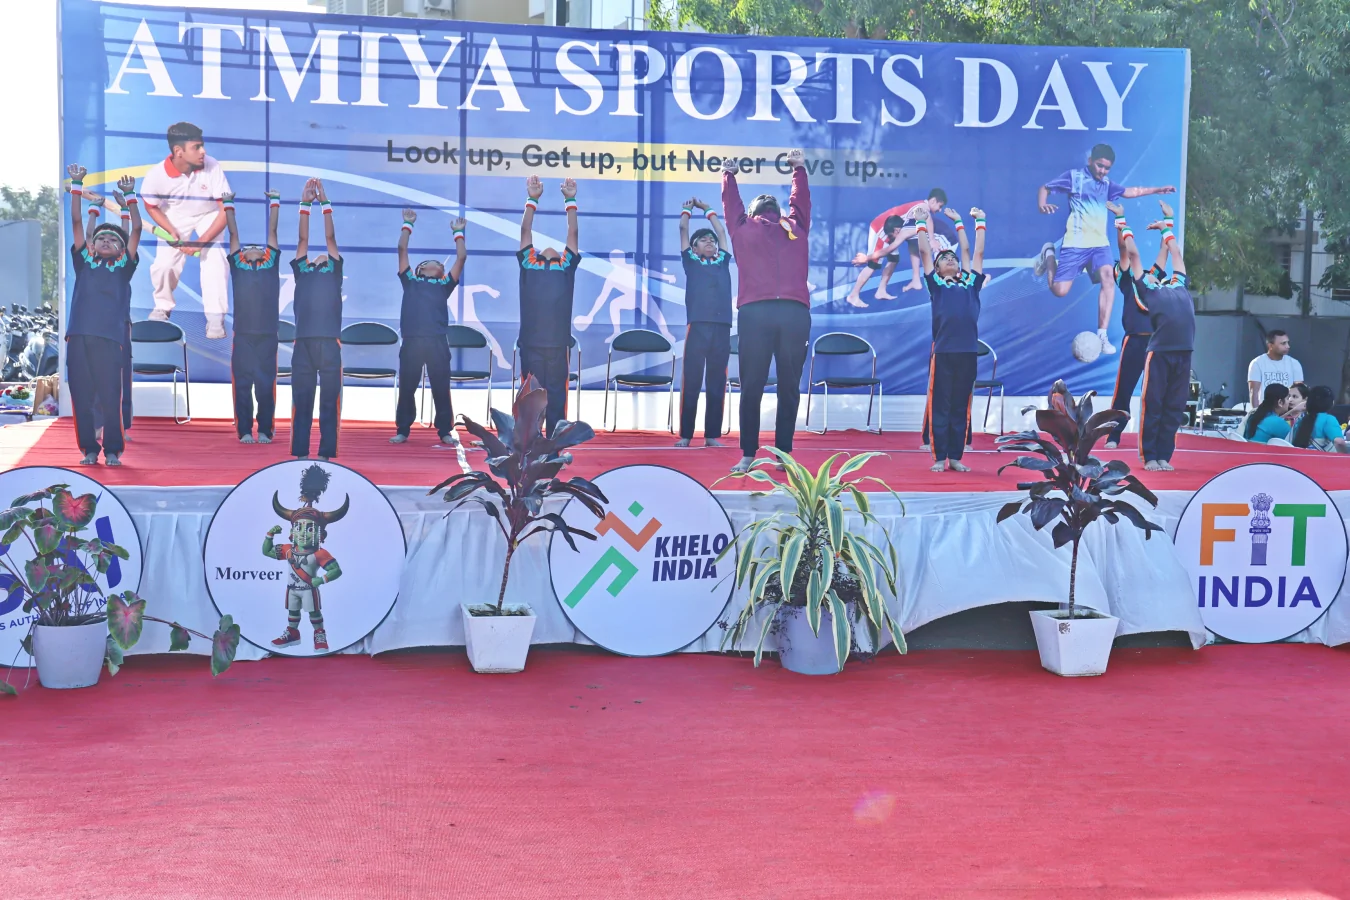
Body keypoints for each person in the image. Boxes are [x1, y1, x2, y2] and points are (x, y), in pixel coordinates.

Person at [1034, 144, 1176, 355]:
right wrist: (1042, 204)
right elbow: (1044, 188)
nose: (1102, 171)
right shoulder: (1074, 178)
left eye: (1106, 168)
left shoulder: (1107, 185)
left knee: (1109, 278)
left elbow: (1131, 192)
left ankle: (1102, 334)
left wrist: (1156, 190)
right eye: (1099, 165)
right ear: (1090, 161)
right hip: (1075, 244)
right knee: (1059, 291)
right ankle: (1049, 255)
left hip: (1099, 245)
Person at [65, 165, 141, 466]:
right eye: (101, 238)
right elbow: (76, 221)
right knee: (82, 397)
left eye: (113, 239)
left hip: (110, 339)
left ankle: (112, 450)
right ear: (92, 245)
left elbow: (136, 230)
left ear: (122, 249)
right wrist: (77, 185)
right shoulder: (84, 263)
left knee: (111, 397)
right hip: (78, 337)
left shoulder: (123, 268)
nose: (106, 240)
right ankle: (89, 449)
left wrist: (130, 197)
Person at [140, 122, 232, 338]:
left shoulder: (212, 166)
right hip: (176, 215)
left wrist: (201, 243)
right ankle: (162, 307)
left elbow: (225, 211)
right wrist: (169, 229)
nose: (203, 151)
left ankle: (215, 318)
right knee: (164, 265)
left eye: (202, 145)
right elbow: (151, 206)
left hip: (209, 214)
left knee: (216, 258)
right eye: (196, 147)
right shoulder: (156, 176)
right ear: (178, 151)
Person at [1121, 200, 1194, 471]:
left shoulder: (1178, 284)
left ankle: (1165, 455)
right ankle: (1150, 455)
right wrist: (1123, 224)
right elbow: (1134, 255)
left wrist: (1167, 227)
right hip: (1160, 353)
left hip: (1184, 353)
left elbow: (1175, 254)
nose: (1154, 272)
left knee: (1174, 406)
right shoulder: (1147, 290)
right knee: (1154, 404)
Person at [915, 204, 985, 473]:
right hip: (944, 352)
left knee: (960, 405)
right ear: (937, 268)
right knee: (940, 404)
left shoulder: (971, 284)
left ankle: (955, 457)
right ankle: (938, 456)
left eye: (952, 258)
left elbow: (972, 251)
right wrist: (921, 224)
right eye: (944, 258)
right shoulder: (936, 285)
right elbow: (924, 252)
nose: (950, 260)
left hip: (968, 352)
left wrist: (973, 222)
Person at [391, 209, 466, 447]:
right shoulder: (410, 281)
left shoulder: (444, 285)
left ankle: (445, 430)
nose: (437, 264)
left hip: (437, 341)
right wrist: (408, 224)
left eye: (440, 264)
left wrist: (458, 233)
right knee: (407, 388)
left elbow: (461, 258)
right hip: (412, 341)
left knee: (441, 387)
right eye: (430, 262)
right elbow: (401, 249)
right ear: (420, 269)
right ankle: (403, 429)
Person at [517, 175, 580, 435]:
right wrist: (532, 199)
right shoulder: (529, 264)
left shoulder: (566, 267)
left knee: (556, 398)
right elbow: (525, 231)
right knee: (531, 397)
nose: (551, 247)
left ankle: (554, 444)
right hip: (530, 343)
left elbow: (573, 233)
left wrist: (570, 201)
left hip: (557, 345)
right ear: (538, 254)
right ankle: (528, 443)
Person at [222, 188, 281, 444]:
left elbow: (273, 233)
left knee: (266, 385)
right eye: (249, 247)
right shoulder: (238, 266)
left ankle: (266, 429)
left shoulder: (271, 264)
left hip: (268, 335)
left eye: (258, 247)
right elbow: (234, 234)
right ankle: (244, 430)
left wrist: (275, 202)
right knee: (243, 385)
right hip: (243, 335)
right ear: (242, 255)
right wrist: (228, 204)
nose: (254, 248)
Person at [290, 178, 344, 460]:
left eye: (326, 255)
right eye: (316, 256)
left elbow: (330, 239)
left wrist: (325, 205)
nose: (321, 254)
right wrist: (304, 204)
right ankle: (301, 452)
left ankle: (325, 452)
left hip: (329, 343)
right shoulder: (303, 270)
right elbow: (303, 240)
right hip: (303, 342)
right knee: (302, 399)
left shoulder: (333, 271)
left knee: (328, 401)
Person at [675, 197, 732, 448]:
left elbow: (721, 231)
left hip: (722, 327)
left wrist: (708, 210)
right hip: (698, 326)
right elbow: (682, 229)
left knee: (717, 382)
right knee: (692, 380)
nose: (710, 241)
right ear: (694, 248)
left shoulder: (722, 261)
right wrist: (687, 210)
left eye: (711, 240)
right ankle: (686, 435)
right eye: (703, 240)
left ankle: (711, 435)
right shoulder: (691, 261)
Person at [1103, 201, 1155, 449]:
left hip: (1157, 342)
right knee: (1123, 390)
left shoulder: (1150, 280)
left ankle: (1153, 437)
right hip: (1134, 340)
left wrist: (1167, 228)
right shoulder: (1126, 280)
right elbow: (1124, 251)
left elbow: (1164, 256)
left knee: (1155, 392)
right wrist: (1120, 220)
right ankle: (1114, 434)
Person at [845, 189, 955, 306]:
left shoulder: (919, 210)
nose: (940, 210)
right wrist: (866, 258)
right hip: (880, 229)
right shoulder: (922, 207)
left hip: (890, 228)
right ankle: (853, 295)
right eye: (940, 206)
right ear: (933, 201)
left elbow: (926, 223)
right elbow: (928, 220)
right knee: (873, 264)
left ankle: (881, 291)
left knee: (894, 259)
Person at [1247, 330, 1303, 407]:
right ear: (1270, 346)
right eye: (1283, 343)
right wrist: (1256, 412)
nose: (1287, 346)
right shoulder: (1257, 363)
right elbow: (1253, 392)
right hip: (1265, 409)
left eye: (1288, 343)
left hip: (1288, 409)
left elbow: (1300, 391)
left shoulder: (1294, 363)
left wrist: (1296, 411)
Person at [1290, 385, 1347, 452]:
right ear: (1331, 403)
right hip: (1321, 458)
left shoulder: (1300, 419)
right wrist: (1344, 455)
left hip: (1298, 457)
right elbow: (1339, 442)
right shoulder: (1328, 419)